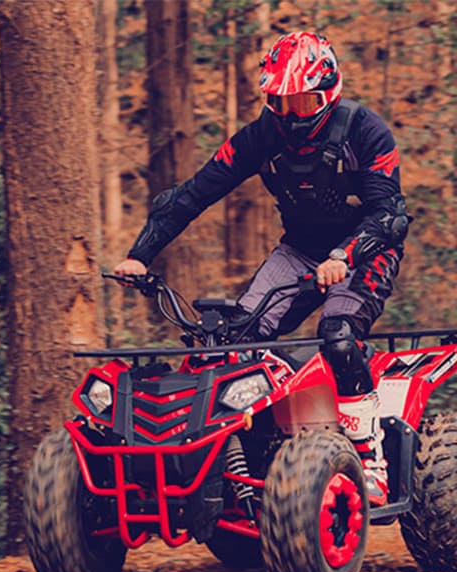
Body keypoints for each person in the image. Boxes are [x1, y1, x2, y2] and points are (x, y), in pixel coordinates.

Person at [113, 31, 409, 506]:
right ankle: (251, 464)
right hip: (298, 251)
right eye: (281, 101)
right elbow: (191, 195)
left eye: (302, 101)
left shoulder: (366, 131)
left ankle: (368, 456)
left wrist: (343, 257)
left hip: (363, 251)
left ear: (327, 91)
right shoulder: (260, 137)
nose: (291, 114)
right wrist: (139, 254)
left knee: (338, 334)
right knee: (235, 343)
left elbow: (389, 217)